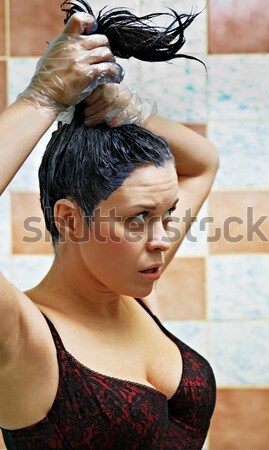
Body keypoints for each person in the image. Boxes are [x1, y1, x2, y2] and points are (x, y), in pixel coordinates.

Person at [0, 7, 219, 450]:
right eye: (137, 220)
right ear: (69, 220)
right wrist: (41, 99)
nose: (163, 240)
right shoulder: (25, 338)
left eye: (168, 214)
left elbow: (203, 163)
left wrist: (133, 111)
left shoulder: (130, 280)